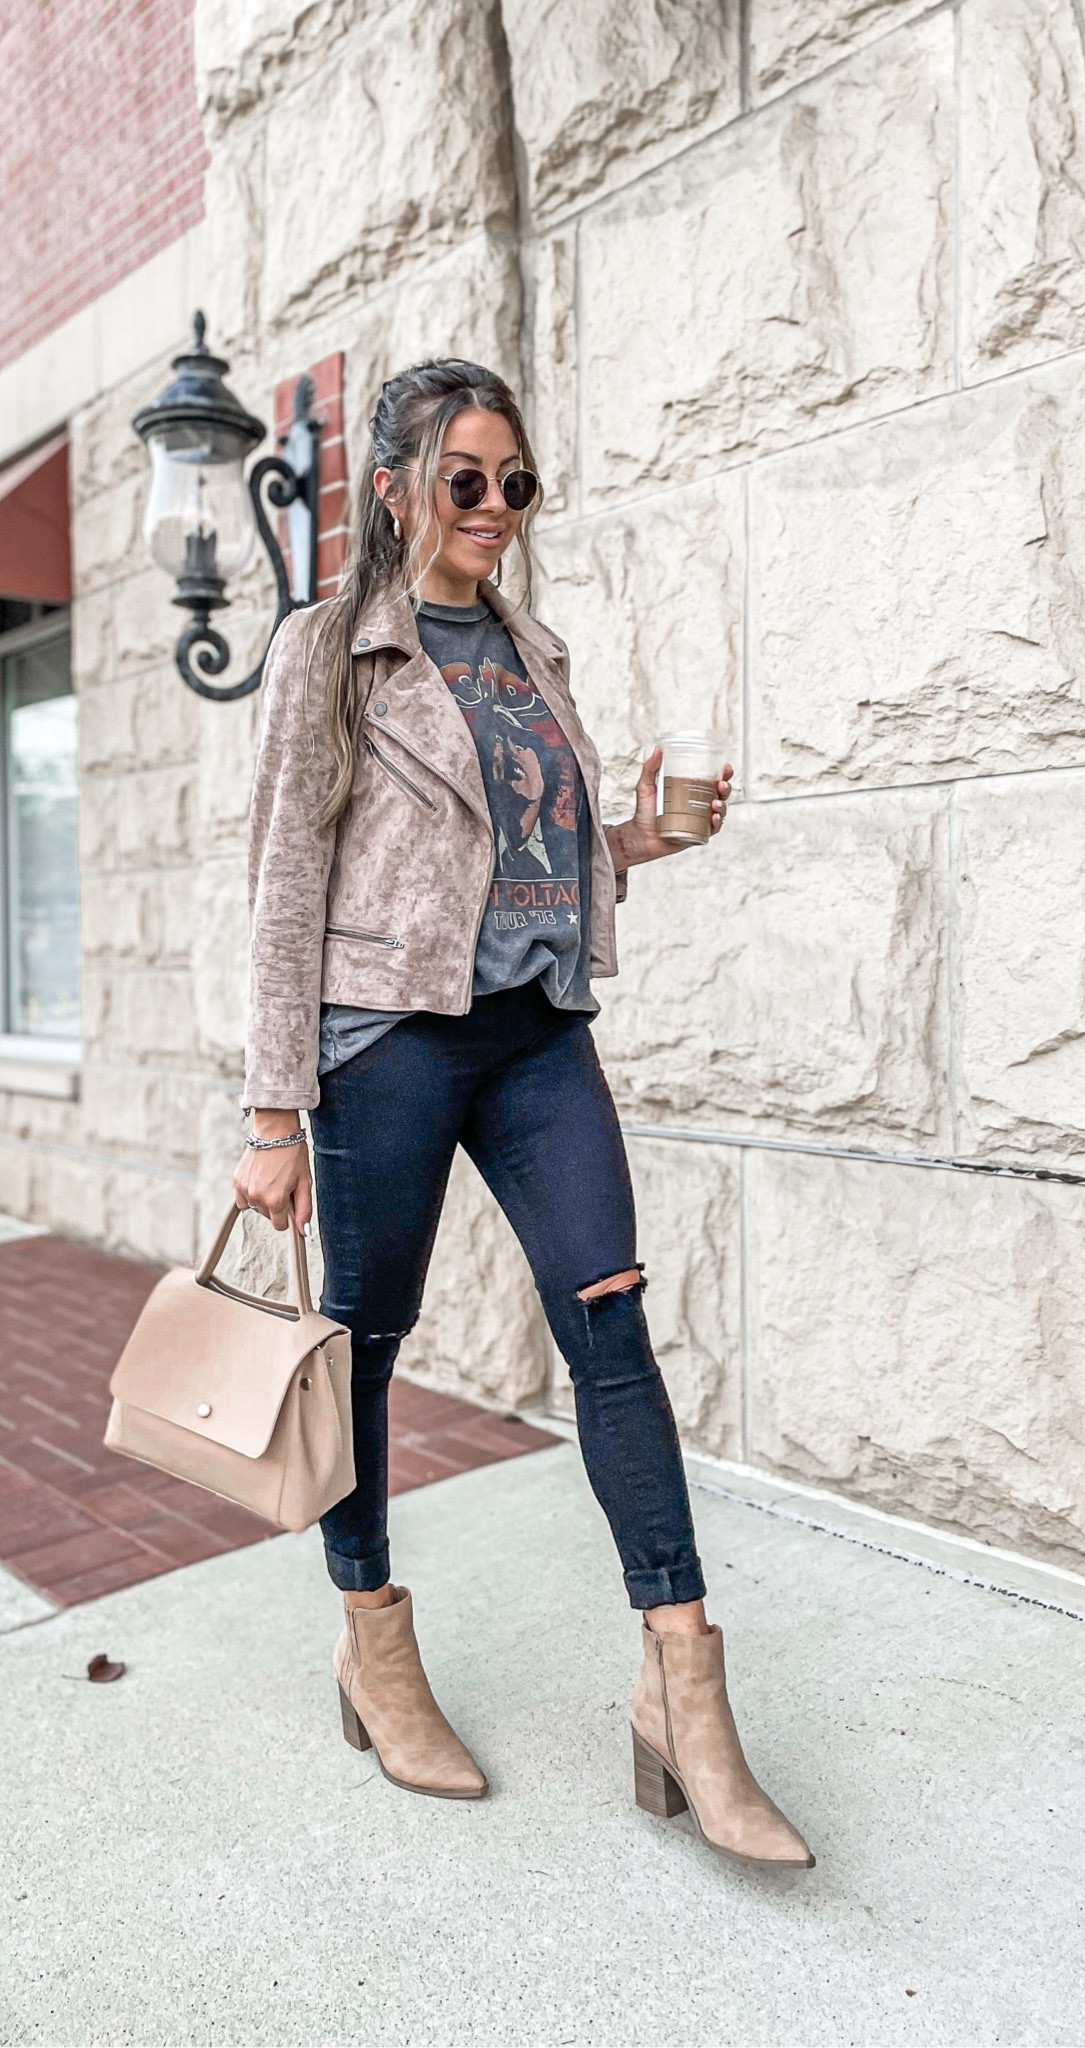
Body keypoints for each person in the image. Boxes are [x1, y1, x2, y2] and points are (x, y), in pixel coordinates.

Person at [233, 359, 812, 1869]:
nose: (495, 510)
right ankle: (372, 1642)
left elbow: (533, 857)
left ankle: (683, 1689)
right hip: (390, 1045)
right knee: (364, 1341)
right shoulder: (331, 651)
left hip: (543, 1034)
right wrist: (271, 1110)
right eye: (467, 481)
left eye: (516, 482)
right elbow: (284, 883)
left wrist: (644, 837)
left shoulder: (527, 646)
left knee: (610, 1324)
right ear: (394, 487)